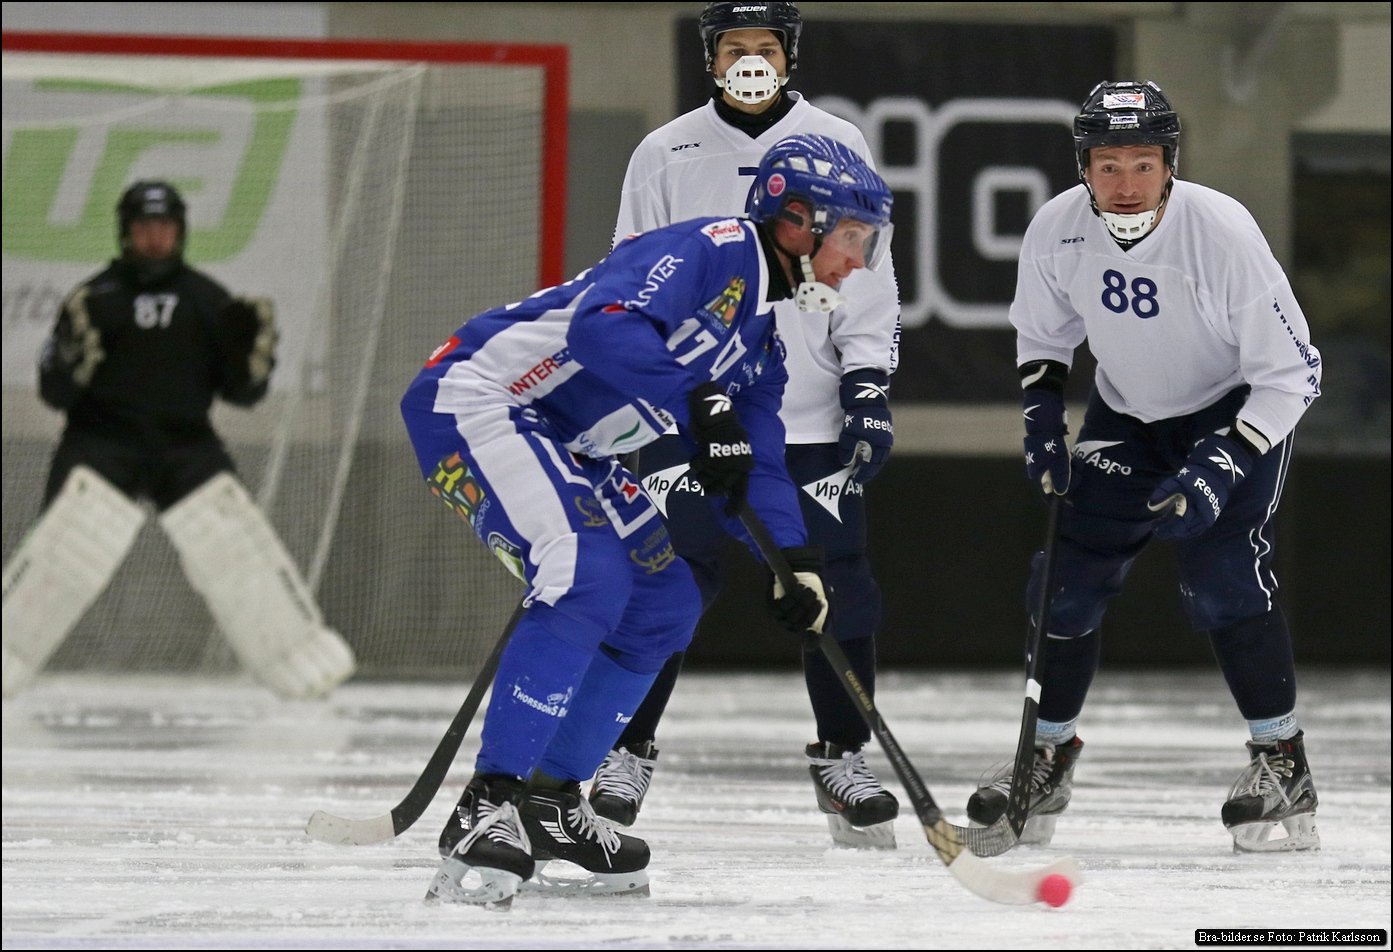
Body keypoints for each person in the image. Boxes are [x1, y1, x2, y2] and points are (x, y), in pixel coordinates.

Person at [401, 133, 894, 906]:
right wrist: (699, 401)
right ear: (794, 220)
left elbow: (756, 467)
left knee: (666, 604)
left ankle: (551, 799)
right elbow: (602, 324)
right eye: (852, 237)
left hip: (573, 441)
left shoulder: (763, 343)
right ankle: (486, 806)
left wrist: (793, 563)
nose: (858, 262)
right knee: (585, 573)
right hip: (483, 401)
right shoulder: (712, 246)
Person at [966, 81, 1324, 854]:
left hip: (1233, 409)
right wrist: (1039, 420)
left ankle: (1281, 763)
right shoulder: (1055, 229)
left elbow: (1293, 374)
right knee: (1063, 580)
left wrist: (1222, 461)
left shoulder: (1221, 231)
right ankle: (1046, 756)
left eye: (1141, 164)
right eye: (1106, 165)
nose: (1124, 185)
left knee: (1221, 575)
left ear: (1169, 165)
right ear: (1082, 168)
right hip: (1126, 414)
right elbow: (1042, 334)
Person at [588, 0, 904, 851]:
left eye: (767, 48)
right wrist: (659, 397)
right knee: (666, 580)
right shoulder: (666, 150)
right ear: (710, 58)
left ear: (790, 56)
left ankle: (844, 757)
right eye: (736, 48)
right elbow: (629, 276)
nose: (751, 62)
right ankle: (624, 749)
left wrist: (867, 383)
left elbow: (867, 276)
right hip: (693, 413)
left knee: (837, 584)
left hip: (803, 413)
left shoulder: (839, 140)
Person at [1, 181, 356, 701]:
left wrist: (250, 362)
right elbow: (54, 394)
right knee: (61, 555)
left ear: (180, 231)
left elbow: (243, 394)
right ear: (126, 232)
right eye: (144, 228)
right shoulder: (93, 300)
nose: (154, 238)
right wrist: (66, 367)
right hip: (102, 443)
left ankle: (299, 659)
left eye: (163, 227)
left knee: (236, 546)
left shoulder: (208, 301)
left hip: (184, 446)